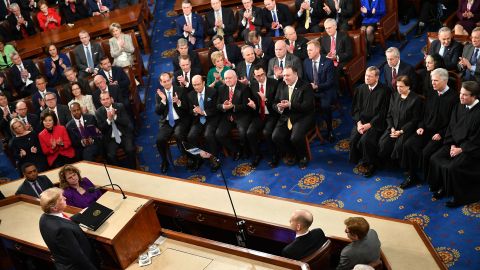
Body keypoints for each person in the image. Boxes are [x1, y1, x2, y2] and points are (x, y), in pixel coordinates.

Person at [400, 68, 458, 189]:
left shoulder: (454, 98)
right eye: (432, 80)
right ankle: (412, 175)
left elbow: (453, 122)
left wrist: (441, 133)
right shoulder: (431, 93)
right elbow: (423, 113)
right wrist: (421, 126)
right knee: (408, 144)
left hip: (440, 133)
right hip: (426, 129)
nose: (433, 83)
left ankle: (430, 180)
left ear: (445, 81)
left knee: (427, 152)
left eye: (436, 81)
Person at [427, 81, 480, 207]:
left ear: (474, 96)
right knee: (435, 158)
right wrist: (451, 144)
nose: (461, 97)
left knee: (453, 167)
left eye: (465, 95)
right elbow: (451, 126)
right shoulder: (459, 106)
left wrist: (461, 149)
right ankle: (443, 187)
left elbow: (477, 139)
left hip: (471, 149)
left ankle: (459, 197)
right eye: (461, 93)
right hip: (454, 144)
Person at [39, 187, 98, 269]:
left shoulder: (44, 218)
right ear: (54, 208)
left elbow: (64, 221)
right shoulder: (62, 229)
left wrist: (82, 214)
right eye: (61, 199)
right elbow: (78, 256)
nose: (65, 198)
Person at [349, 67, 389, 177]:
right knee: (353, 139)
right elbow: (355, 109)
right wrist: (358, 123)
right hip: (361, 122)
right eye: (366, 75)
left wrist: (370, 125)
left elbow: (383, 113)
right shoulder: (360, 89)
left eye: (370, 76)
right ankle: (361, 159)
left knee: (366, 140)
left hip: (376, 123)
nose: (366, 78)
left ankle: (371, 164)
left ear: (377, 77)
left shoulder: (384, 91)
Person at [272, 65, 315, 168]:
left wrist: (290, 104)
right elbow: (274, 102)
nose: (285, 78)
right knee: (276, 136)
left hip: (303, 116)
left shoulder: (305, 86)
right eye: (284, 75)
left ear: (295, 74)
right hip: (286, 116)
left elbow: (307, 106)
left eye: (288, 75)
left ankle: (303, 157)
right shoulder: (281, 85)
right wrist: (279, 107)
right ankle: (291, 153)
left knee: (295, 137)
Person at [378, 76, 422, 167]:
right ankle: (388, 163)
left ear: (408, 86)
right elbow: (389, 115)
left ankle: (400, 166)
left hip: (406, 130)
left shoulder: (415, 99)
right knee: (383, 143)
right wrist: (392, 128)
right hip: (393, 128)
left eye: (401, 86)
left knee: (399, 147)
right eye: (397, 86)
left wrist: (401, 131)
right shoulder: (394, 96)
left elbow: (415, 120)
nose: (398, 89)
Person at [155, 72, 191, 173]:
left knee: (179, 134)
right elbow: (158, 112)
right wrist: (163, 100)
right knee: (159, 140)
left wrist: (179, 102)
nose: (166, 83)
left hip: (181, 120)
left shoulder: (180, 90)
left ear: (171, 80)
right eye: (164, 82)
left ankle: (188, 157)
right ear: (161, 83)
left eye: (168, 81)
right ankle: (164, 161)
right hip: (167, 122)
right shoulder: (159, 95)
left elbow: (187, 108)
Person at [215, 70, 253, 161]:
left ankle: (246, 151)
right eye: (226, 78)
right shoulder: (221, 88)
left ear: (236, 78)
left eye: (230, 78)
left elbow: (246, 107)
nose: (227, 80)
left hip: (241, 115)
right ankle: (237, 150)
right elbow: (217, 105)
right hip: (227, 116)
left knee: (243, 133)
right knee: (219, 134)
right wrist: (223, 106)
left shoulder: (244, 88)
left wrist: (234, 106)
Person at [303, 40, 336, 142]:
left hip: (325, 90)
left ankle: (330, 130)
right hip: (312, 91)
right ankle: (311, 129)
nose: (308, 52)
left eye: (310, 50)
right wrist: (309, 87)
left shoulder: (328, 63)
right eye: (307, 50)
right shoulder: (306, 62)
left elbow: (330, 82)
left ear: (317, 50)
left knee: (325, 106)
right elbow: (305, 79)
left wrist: (316, 86)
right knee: (302, 104)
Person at [187, 75, 220, 172]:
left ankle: (214, 158)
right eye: (194, 85)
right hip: (198, 120)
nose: (196, 87)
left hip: (211, 119)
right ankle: (198, 158)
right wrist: (194, 111)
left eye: (198, 84)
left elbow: (216, 109)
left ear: (203, 83)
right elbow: (190, 111)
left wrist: (203, 112)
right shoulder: (190, 95)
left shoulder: (213, 92)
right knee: (190, 137)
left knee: (208, 135)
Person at [247, 65, 279, 167]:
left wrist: (265, 100)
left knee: (266, 132)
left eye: (262, 74)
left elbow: (277, 103)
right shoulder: (253, 85)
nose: (260, 77)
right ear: (254, 76)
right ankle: (256, 155)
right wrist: (253, 106)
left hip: (272, 114)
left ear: (265, 73)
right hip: (259, 114)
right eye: (258, 76)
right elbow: (254, 103)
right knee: (250, 132)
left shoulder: (274, 83)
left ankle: (274, 155)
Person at [95, 91, 136, 169]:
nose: (106, 101)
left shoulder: (120, 106)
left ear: (111, 99)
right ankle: (119, 172)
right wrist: (109, 120)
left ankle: (134, 169)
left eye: (107, 98)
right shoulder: (98, 112)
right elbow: (102, 129)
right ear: (101, 101)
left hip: (124, 135)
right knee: (110, 155)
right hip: (111, 139)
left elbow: (126, 122)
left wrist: (115, 117)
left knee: (130, 150)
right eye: (103, 99)